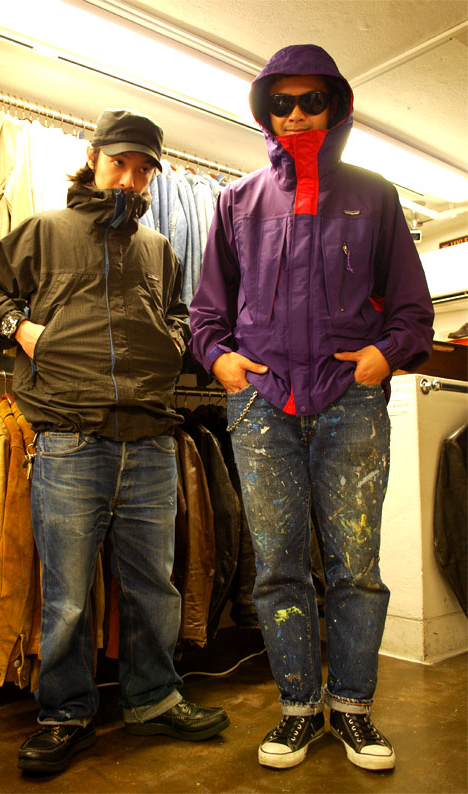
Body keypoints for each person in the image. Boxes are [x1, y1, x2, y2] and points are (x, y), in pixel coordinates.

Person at [189, 44, 434, 772]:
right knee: (277, 567)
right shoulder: (237, 202)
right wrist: (222, 362)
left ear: (337, 107)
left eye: (311, 101)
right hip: (262, 406)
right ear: (265, 112)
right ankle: (298, 708)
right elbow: (206, 315)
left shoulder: (374, 196)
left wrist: (384, 356)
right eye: (282, 103)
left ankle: (353, 707)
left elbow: (414, 312)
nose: (296, 114)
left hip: (348, 402)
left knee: (356, 565)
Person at [0, 108, 229, 775]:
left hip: (150, 440)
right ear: (94, 157)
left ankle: (154, 698)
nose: (130, 180)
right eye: (120, 164)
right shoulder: (45, 232)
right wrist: (23, 331)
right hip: (70, 439)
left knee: (154, 588)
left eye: (143, 170)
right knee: (69, 595)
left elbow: (180, 315)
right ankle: (66, 714)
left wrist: (172, 341)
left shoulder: (159, 249)